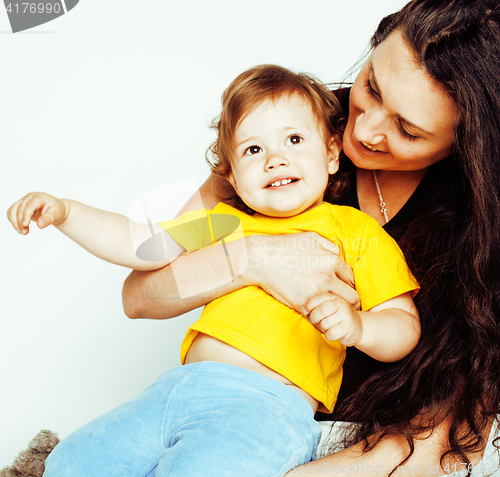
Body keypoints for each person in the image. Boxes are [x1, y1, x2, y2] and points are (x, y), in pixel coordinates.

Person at [122, 0, 500, 475]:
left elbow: (445, 442)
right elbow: (140, 296)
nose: (362, 129)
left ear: (468, 143)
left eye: (406, 129)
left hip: (383, 456)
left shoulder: (484, 219)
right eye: (371, 87)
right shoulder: (287, 131)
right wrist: (250, 256)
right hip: (234, 419)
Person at [7, 65, 420, 476]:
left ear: (331, 154)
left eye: (294, 140)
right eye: (253, 150)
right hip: (174, 391)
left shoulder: (354, 231)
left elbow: (403, 323)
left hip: (266, 405)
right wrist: (65, 212)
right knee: (72, 461)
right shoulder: (223, 221)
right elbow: (140, 243)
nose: (276, 159)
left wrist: (360, 327)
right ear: (232, 178)